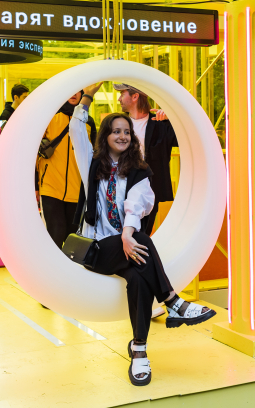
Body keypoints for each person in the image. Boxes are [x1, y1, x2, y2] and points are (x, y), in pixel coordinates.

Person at [70, 83, 216, 386]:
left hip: (126, 247)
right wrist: (87, 96)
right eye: (116, 131)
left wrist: (126, 234)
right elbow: (75, 127)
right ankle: (173, 300)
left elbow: (136, 206)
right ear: (105, 136)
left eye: (127, 131)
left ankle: (139, 350)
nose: (123, 135)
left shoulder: (139, 170)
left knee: (138, 278)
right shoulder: (91, 164)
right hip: (97, 250)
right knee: (142, 240)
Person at [114, 83, 178, 236]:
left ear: (135, 96)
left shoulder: (161, 124)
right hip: (123, 190)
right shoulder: (117, 125)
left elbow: (189, 138)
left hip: (152, 190)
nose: (118, 99)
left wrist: (174, 118)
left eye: (122, 94)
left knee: (143, 235)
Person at [37, 91, 96, 248]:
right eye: (71, 90)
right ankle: (50, 271)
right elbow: (33, 152)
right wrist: (35, 187)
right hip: (50, 187)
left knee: (73, 239)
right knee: (55, 233)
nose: (74, 94)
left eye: (78, 91)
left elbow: (94, 155)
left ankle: (68, 272)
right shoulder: (49, 117)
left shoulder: (88, 122)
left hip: (77, 190)